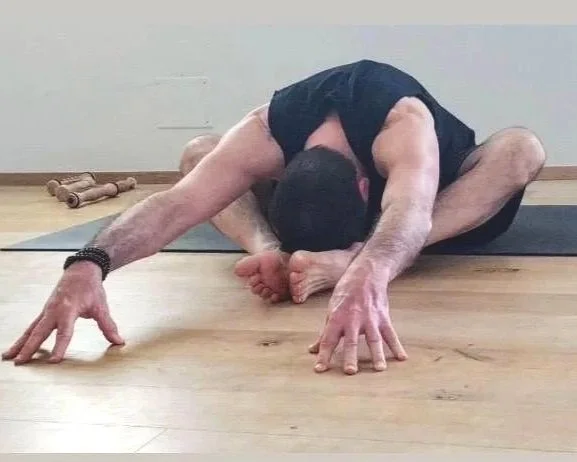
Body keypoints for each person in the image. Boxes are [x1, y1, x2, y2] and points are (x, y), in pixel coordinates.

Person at [2, 59, 546, 375]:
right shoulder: (266, 130)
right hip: (333, 217)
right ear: (279, 174)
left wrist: (365, 269)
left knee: (521, 148)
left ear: (365, 189)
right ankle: (268, 250)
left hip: (442, 202)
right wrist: (87, 265)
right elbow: (176, 204)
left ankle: (345, 255)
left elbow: (409, 211)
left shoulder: (401, 125)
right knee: (199, 153)